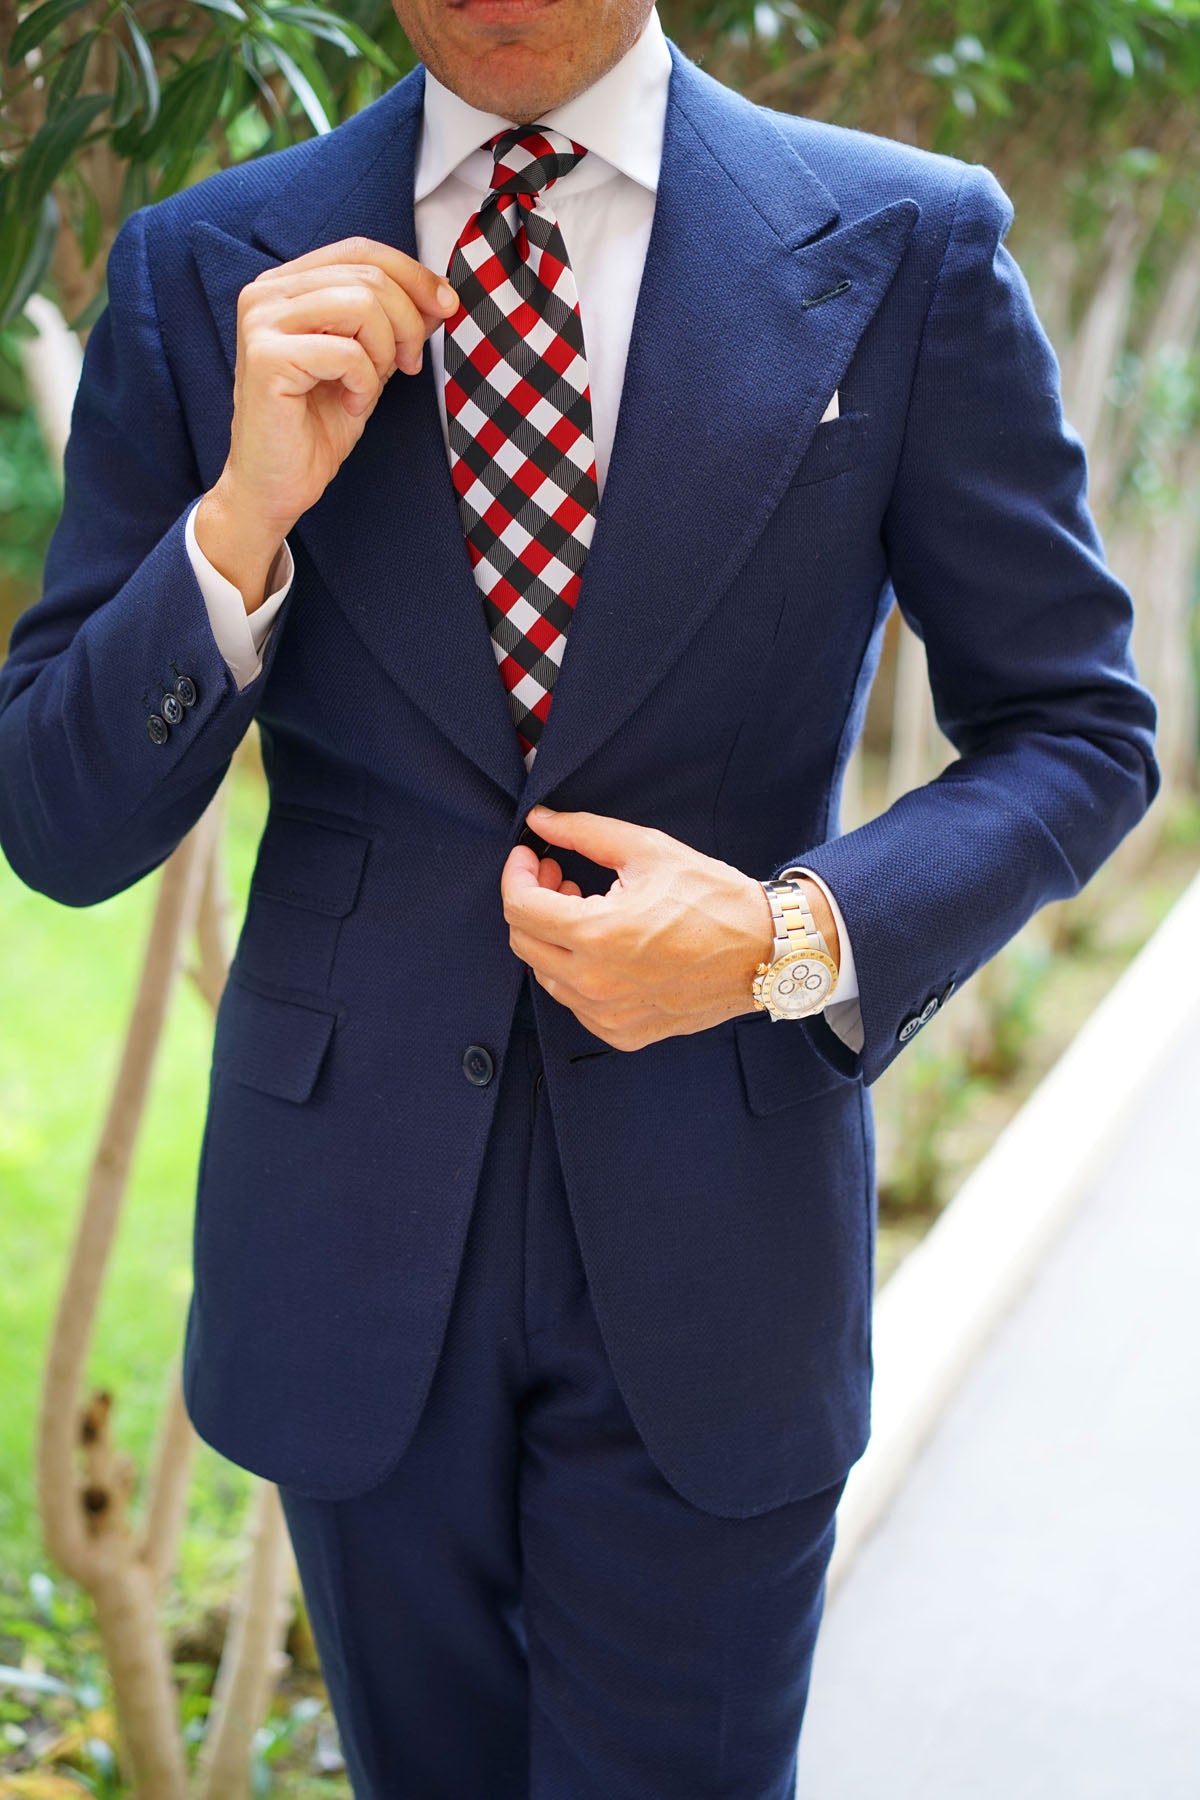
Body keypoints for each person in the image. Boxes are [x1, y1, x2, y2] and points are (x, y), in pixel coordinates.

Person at [0, 1, 1159, 1793]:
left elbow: (1077, 730)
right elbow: (63, 828)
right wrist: (238, 525)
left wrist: (785, 941)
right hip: (351, 1248)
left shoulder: (906, 242)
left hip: (722, 1242)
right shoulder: (208, 266)